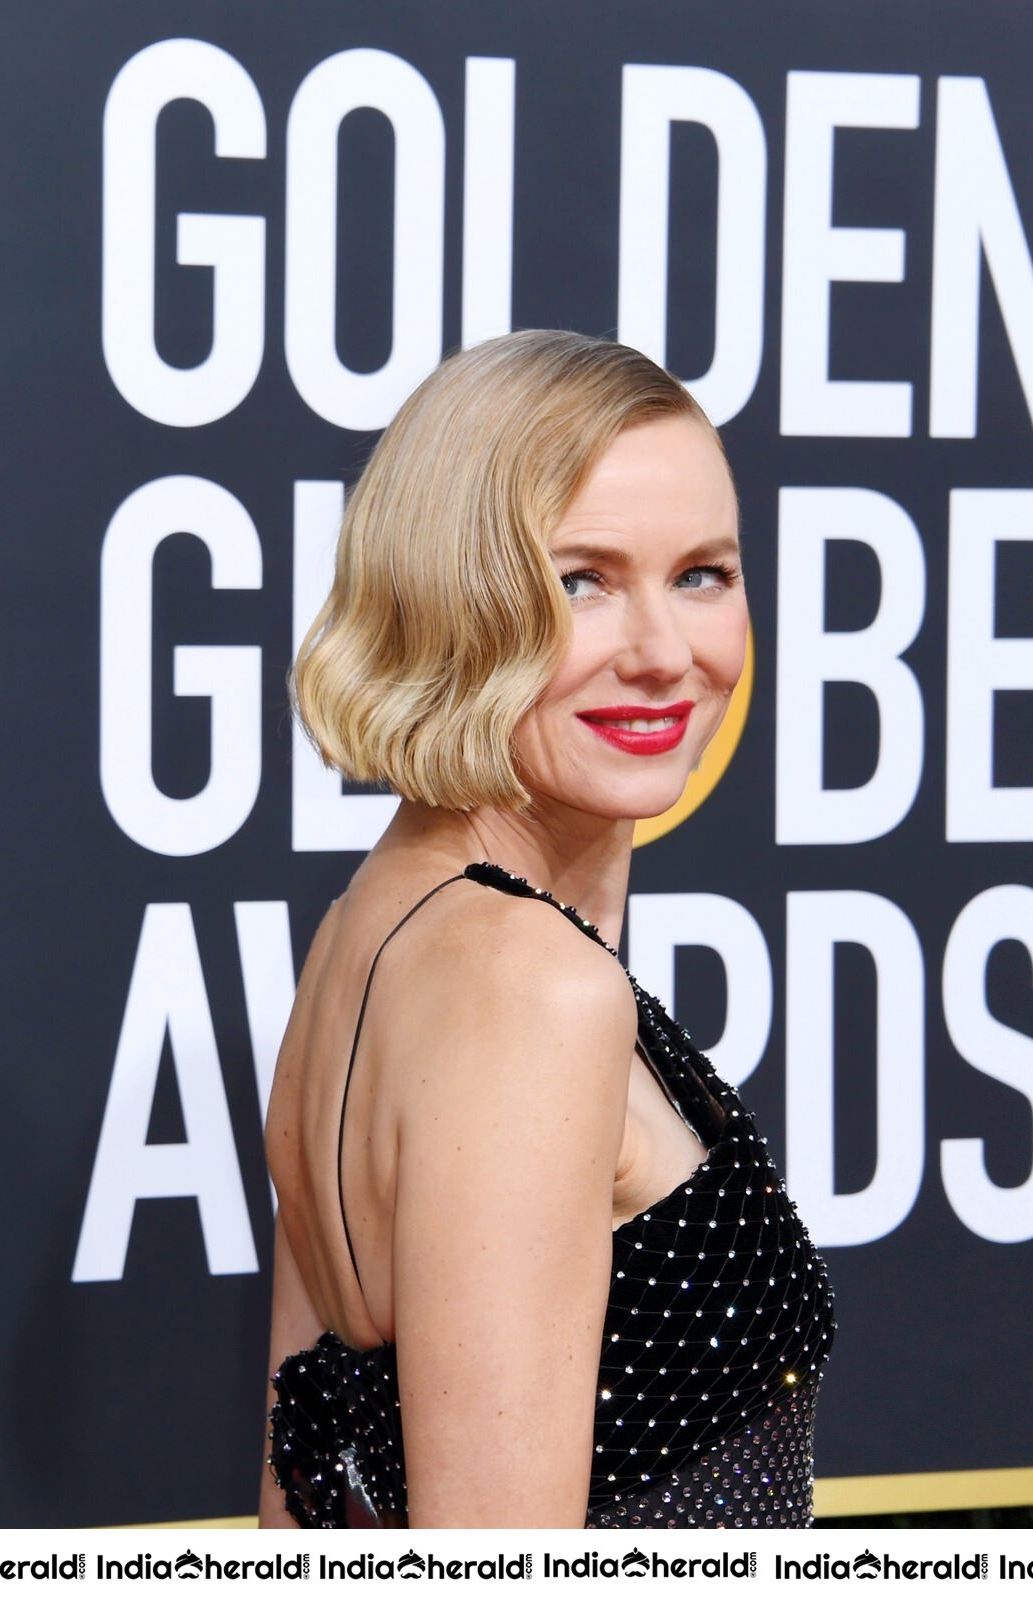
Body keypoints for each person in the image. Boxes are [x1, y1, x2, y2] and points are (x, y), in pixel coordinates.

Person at [258, 330, 836, 1530]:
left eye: (703, 575)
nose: (665, 655)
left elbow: (303, 1510)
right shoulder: (533, 992)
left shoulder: (371, 929)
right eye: (581, 581)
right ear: (453, 597)